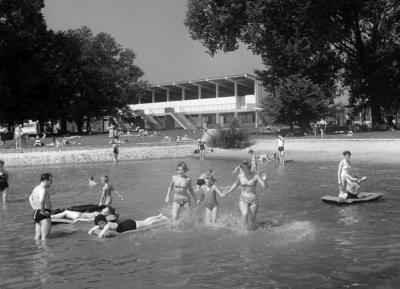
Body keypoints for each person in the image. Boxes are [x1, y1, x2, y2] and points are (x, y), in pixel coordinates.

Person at [223, 161, 267, 230]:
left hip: (253, 200)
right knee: (245, 214)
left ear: (248, 167)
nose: (243, 169)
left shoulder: (256, 176)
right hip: (243, 199)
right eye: (242, 168)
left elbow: (264, 187)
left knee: (252, 221)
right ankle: (243, 231)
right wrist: (229, 191)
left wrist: (264, 179)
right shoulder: (240, 176)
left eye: (244, 168)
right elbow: (236, 184)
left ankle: (249, 232)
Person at [88, 213, 168, 238]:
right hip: (127, 224)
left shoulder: (108, 224)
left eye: (102, 223)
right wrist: (91, 231)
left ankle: (162, 219)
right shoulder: (103, 225)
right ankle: (159, 216)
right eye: (100, 224)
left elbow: (103, 232)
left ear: (105, 221)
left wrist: (99, 237)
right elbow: (97, 227)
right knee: (146, 220)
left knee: (148, 223)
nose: (101, 225)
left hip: (131, 225)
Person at [29, 173, 53, 240]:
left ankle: (38, 250)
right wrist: (43, 211)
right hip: (43, 214)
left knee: (37, 237)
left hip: (36, 213)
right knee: (45, 238)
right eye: (50, 181)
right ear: (46, 180)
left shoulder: (35, 188)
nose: (51, 183)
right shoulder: (42, 189)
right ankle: (46, 250)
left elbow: (30, 198)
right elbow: (41, 200)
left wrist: (34, 208)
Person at [51, 206, 116, 223]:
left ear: (108, 212)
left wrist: (79, 220)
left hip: (79, 216)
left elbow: (90, 220)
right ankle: (51, 216)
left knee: (66, 212)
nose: (103, 209)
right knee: (66, 212)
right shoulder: (101, 214)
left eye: (105, 210)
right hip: (80, 214)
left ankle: (51, 217)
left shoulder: (100, 216)